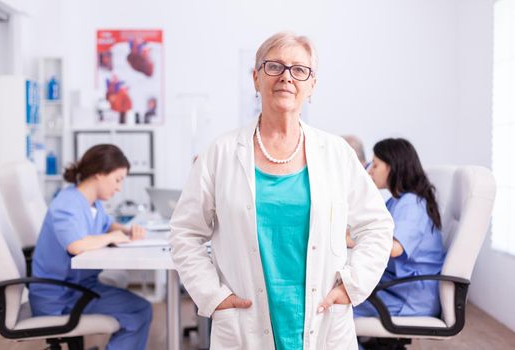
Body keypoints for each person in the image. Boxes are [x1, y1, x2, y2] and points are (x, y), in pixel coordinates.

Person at [169, 31, 394, 350]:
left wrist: (351, 286)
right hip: (244, 321)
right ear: (256, 77)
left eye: (300, 70)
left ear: (312, 85)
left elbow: (377, 226)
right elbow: (185, 233)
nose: (287, 77)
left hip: (323, 319)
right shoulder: (219, 153)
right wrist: (213, 296)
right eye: (274, 66)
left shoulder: (336, 152)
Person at [29, 144, 152, 350]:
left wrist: (126, 230)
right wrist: (113, 236)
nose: (119, 187)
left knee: (138, 309)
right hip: (60, 297)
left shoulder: (91, 203)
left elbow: (105, 223)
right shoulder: (67, 203)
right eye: (118, 179)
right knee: (138, 310)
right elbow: (76, 245)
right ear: (99, 174)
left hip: (80, 289)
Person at [353, 138, 446, 318]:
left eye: (375, 166)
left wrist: (349, 239)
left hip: (408, 296)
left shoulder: (412, 203)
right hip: (397, 286)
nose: (370, 171)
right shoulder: (398, 200)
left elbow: (394, 248)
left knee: (335, 309)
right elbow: (374, 229)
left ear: (392, 167)